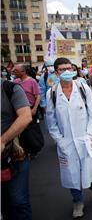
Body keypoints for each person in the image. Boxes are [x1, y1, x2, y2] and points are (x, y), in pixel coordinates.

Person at [46, 58, 92, 219]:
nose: (66, 72)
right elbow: (51, 122)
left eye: (69, 68)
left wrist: (91, 134)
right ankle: (78, 202)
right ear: (56, 72)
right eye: (62, 69)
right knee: (71, 173)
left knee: (90, 167)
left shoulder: (83, 88)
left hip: (85, 138)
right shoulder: (51, 93)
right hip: (66, 142)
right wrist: (60, 140)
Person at [1, 79, 33, 220]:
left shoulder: (10, 88)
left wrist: (2, 140)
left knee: (17, 200)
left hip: (12, 155)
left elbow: (26, 116)